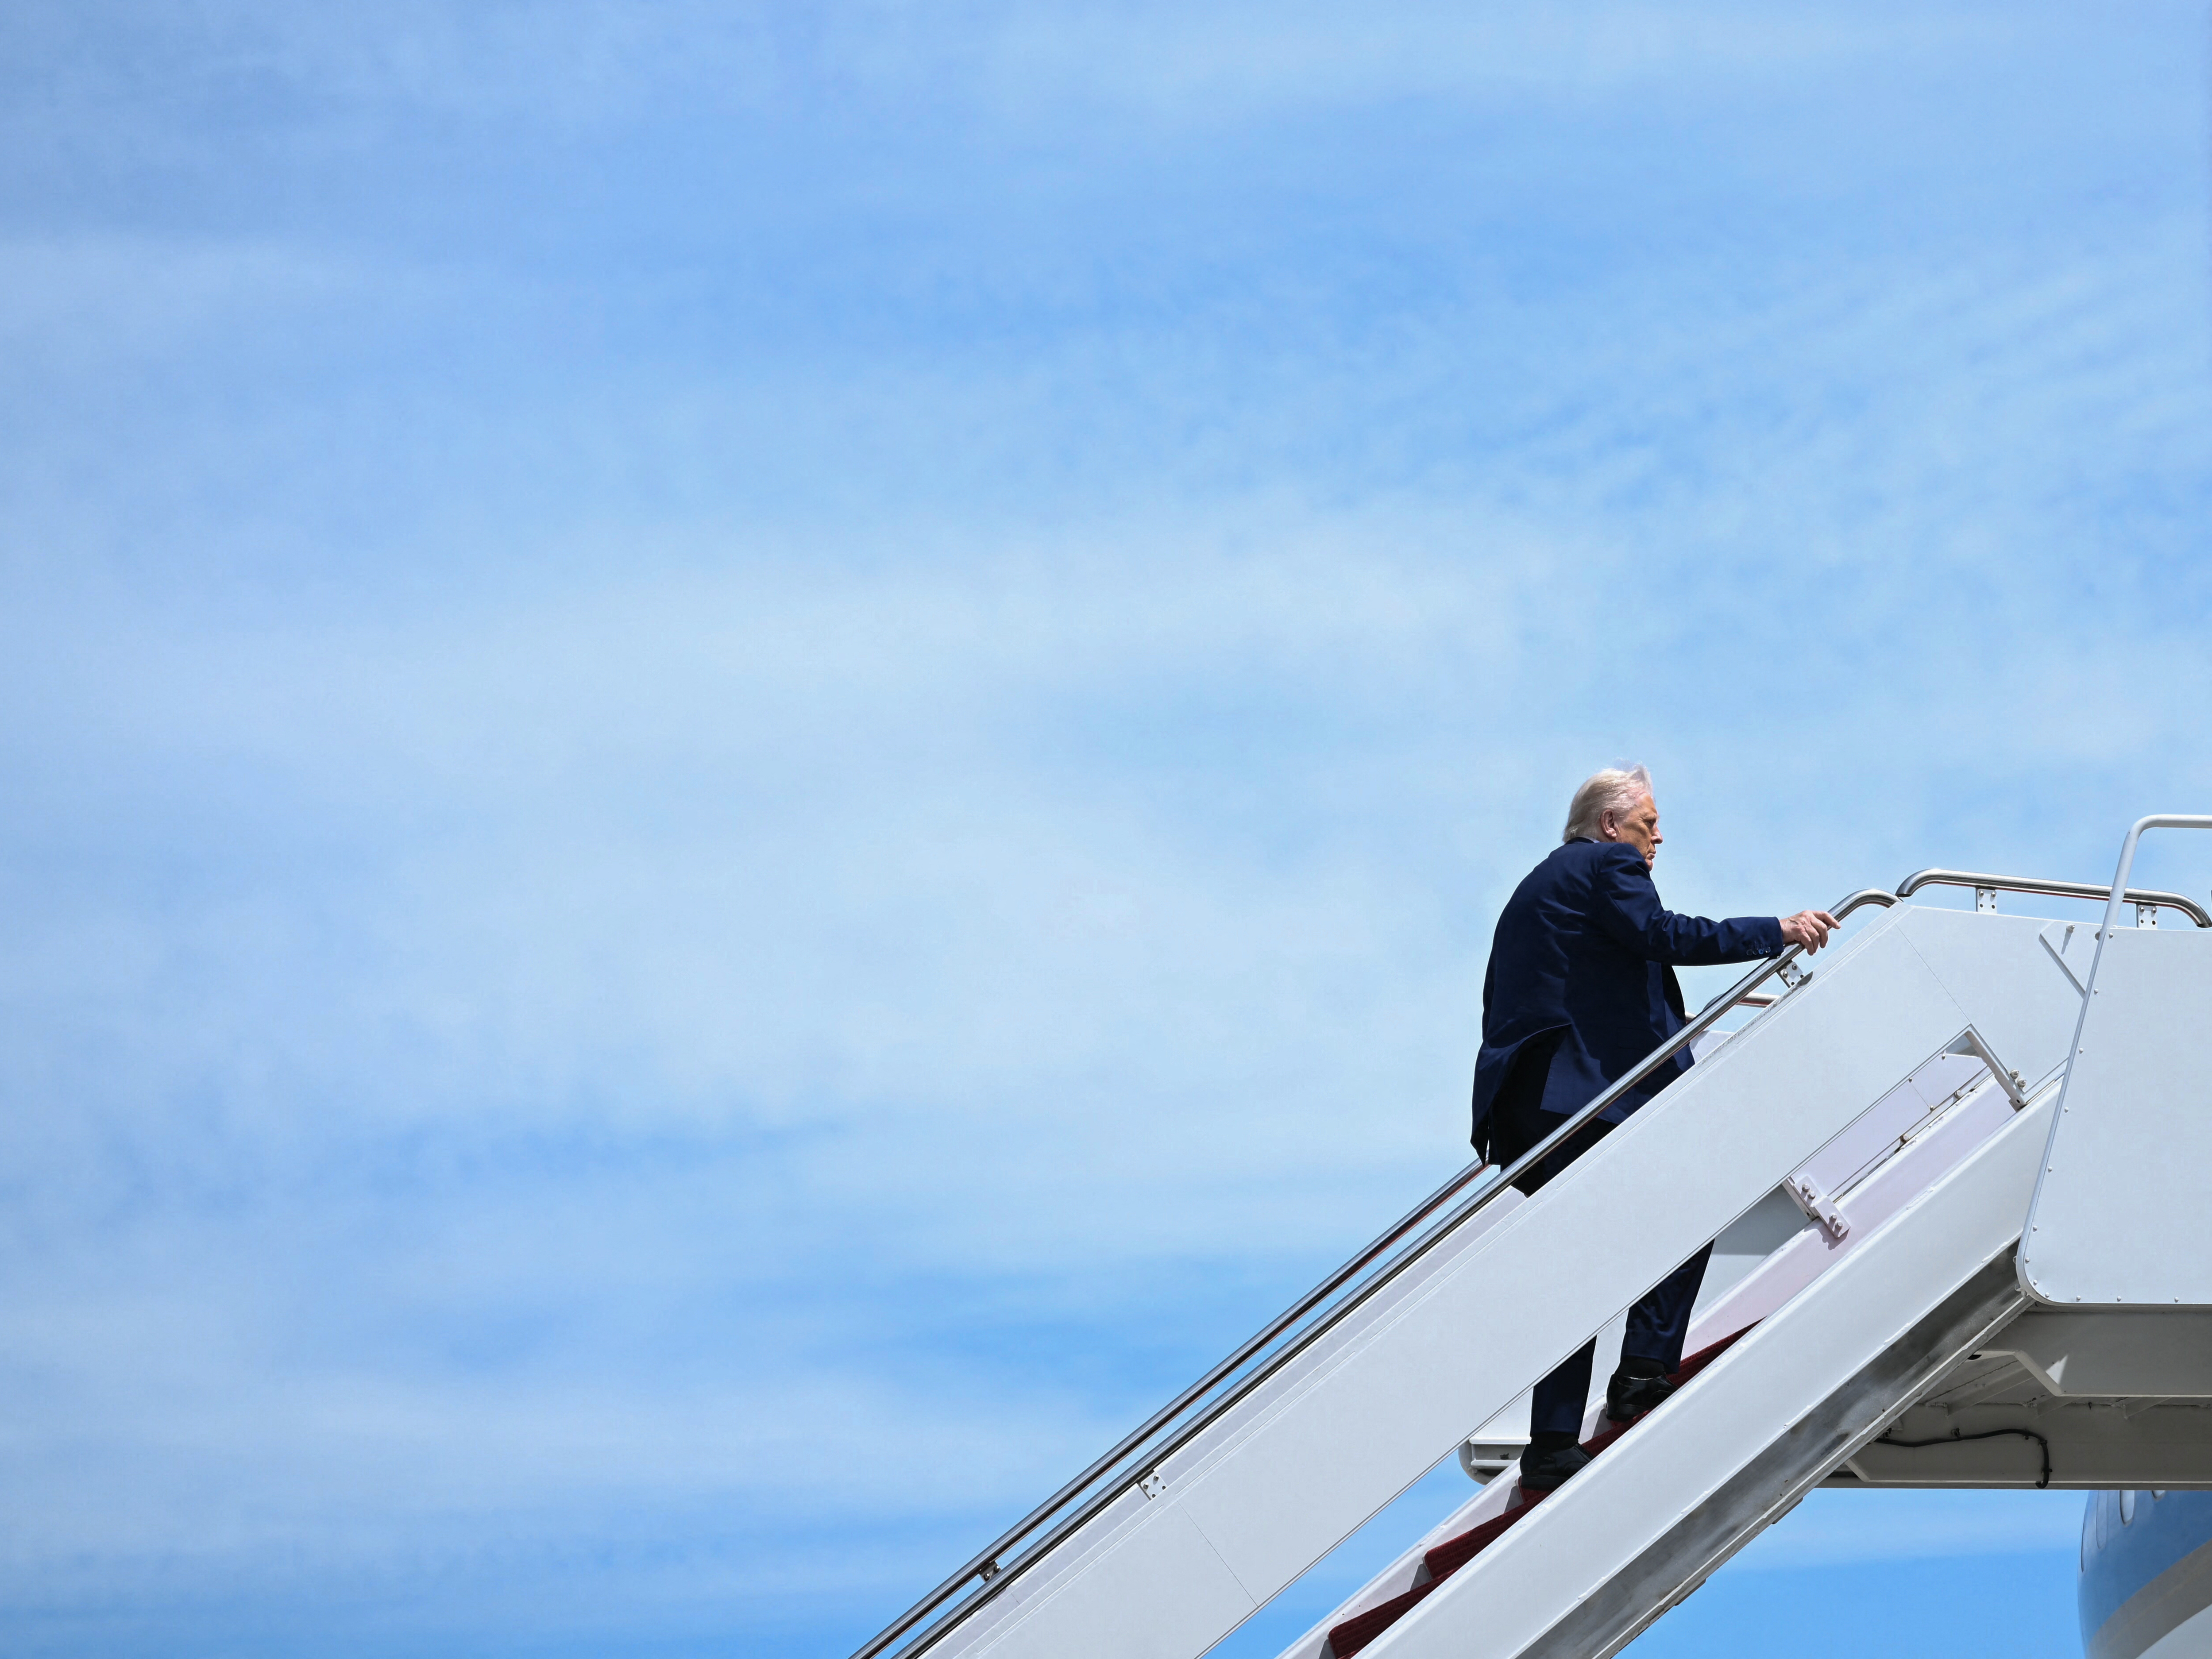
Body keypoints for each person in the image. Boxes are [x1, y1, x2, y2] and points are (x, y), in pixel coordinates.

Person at [1471, 766, 1838, 1491]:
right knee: (1697, 1199)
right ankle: (1640, 1372)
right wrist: (1777, 931)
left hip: (1531, 1101)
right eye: (1648, 823)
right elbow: (1658, 933)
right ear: (1611, 825)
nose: (1657, 837)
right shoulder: (1606, 863)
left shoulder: (1543, 882)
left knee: (1578, 1269)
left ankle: (1551, 1442)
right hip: (1583, 1093)